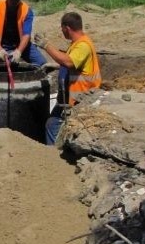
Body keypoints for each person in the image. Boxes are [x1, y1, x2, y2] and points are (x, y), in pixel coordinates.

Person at [34, 11, 102, 145]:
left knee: (53, 126)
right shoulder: (76, 43)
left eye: (62, 28)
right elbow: (75, 66)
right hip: (70, 98)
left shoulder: (83, 46)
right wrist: (55, 66)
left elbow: (69, 62)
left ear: (67, 28)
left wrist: (46, 46)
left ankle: (54, 156)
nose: (62, 31)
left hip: (80, 98)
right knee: (51, 123)